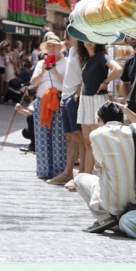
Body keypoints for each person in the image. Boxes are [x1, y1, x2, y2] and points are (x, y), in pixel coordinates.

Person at [74, 102, 136, 231]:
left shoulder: (97, 134)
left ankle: (105, 217)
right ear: (122, 119)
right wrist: (125, 109)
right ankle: (121, 219)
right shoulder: (135, 131)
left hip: (113, 199)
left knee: (79, 178)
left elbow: (99, 164)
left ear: (101, 119)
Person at [77, 40, 122, 178]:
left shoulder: (102, 56)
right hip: (85, 99)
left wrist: (105, 82)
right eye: (85, 39)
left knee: (95, 141)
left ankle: (93, 176)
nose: (88, 42)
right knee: (87, 142)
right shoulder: (86, 59)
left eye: (91, 39)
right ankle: (86, 177)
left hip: (96, 99)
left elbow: (118, 69)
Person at [47, 37, 84, 187]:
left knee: (79, 136)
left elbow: (85, 72)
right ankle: (67, 173)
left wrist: (77, 92)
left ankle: (80, 177)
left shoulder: (81, 51)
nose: (65, 40)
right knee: (70, 136)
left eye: (67, 37)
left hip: (74, 96)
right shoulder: (71, 52)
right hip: (66, 96)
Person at [28, 38, 66, 179]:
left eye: (54, 46)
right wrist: (43, 71)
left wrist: (55, 71)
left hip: (59, 100)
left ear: (59, 48)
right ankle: (43, 170)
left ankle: (59, 171)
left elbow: (68, 82)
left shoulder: (66, 62)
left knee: (58, 136)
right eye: (48, 46)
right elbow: (33, 82)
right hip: (42, 101)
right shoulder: (40, 63)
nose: (51, 48)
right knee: (42, 135)